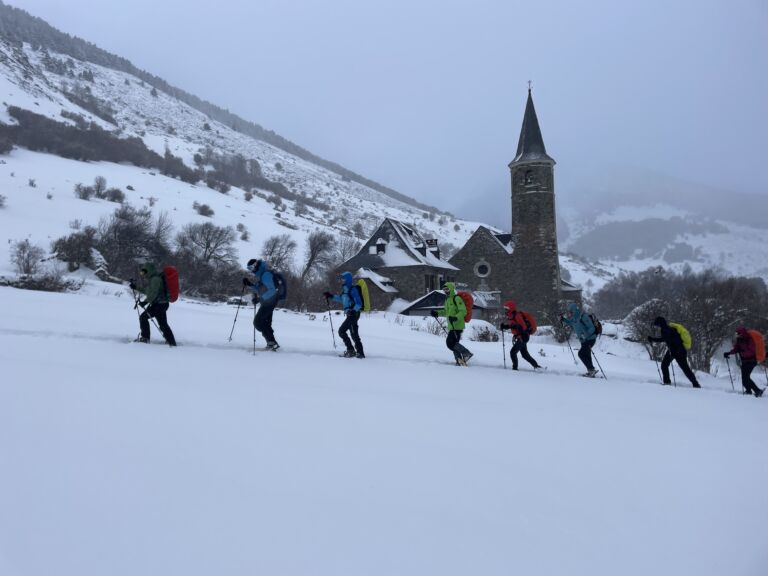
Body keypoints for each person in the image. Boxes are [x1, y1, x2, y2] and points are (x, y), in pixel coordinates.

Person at [129, 263, 176, 346]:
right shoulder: (153, 279)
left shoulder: (155, 279)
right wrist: (136, 287)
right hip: (161, 304)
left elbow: (153, 293)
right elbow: (148, 291)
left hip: (159, 305)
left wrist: (145, 302)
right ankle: (171, 341)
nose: (143, 274)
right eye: (142, 272)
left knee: (143, 317)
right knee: (163, 324)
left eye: (144, 272)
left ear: (149, 271)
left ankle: (145, 338)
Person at [647, 316, 701, 388]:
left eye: (657, 325)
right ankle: (668, 382)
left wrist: (653, 339)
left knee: (683, 368)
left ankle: (695, 384)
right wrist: (653, 339)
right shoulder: (667, 329)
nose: (657, 327)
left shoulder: (666, 330)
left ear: (660, 324)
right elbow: (665, 339)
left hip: (678, 352)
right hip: (675, 351)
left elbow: (669, 340)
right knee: (667, 365)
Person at [324, 271, 365, 358]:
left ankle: (353, 351)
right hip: (350, 314)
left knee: (342, 331)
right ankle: (358, 352)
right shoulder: (345, 291)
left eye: (343, 279)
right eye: (341, 279)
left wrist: (353, 310)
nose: (342, 281)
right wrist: (331, 296)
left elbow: (359, 303)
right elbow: (342, 299)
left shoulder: (353, 290)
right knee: (353, 333)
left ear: (348, 280)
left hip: (354, 314)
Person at [430, 282, 473, 365]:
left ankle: (466, 354)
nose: (445, 291)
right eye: (444, 289)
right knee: (454, 343)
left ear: (451, 289)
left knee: (450, 343)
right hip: (451, 326)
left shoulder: (456, 299)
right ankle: (459, 360)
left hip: (457, 325)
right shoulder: (447, 299)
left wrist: (456, 317)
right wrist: (437, 313)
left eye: (447, 289)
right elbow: (446, 312)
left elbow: (463, 311)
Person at [243, 258, 279, 351]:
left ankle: (271, 343)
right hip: (269, 301)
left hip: (269, 301)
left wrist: (259, 299)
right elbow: (260, 289)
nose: (251, 271)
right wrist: (250, 284)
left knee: (258, 322)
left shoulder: (266, 275)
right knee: (266, 323)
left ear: (255, 266)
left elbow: (272, 290)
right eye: (249, 269)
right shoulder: (262, 274)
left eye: (251, 268)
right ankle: (272, 343)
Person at [499, 300, 540, 370]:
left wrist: (517, 331)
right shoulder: (511, 316)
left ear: (510, 308)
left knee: (513, 352)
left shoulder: (517, 315)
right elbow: (514, 325)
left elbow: (523, 327)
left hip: (523, 337)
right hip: (521, 337)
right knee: (525, 355)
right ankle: (537, 367)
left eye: (506, 308)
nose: (505, 310)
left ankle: (515, 368)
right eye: (505, 308)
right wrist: (505, 326)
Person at [560, 302, 597, 377]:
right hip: (583, 340)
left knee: (581, 354)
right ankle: (591, 371)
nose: (570, 313)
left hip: (590, 339)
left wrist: (585, 335)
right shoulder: (574, 318)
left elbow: (592, 328)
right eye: (569, 312)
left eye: (571, 311)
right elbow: (571, 323)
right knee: (586, 354)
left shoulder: (583, 316)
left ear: (574, 310)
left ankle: (591, 370)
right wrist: (563, 319)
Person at [725, 326, 763, 397]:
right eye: (736, 333)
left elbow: (752, 351)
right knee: (744, 378)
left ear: (742, 333)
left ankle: (757, 391)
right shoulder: (739, 340)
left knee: (745, 378)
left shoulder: (749, 339)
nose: (737, 335)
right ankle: (749, 391)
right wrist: (729, 353)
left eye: (738, 333)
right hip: (745, 361)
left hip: (751, 361)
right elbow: (736, 349)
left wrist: (742, 350)